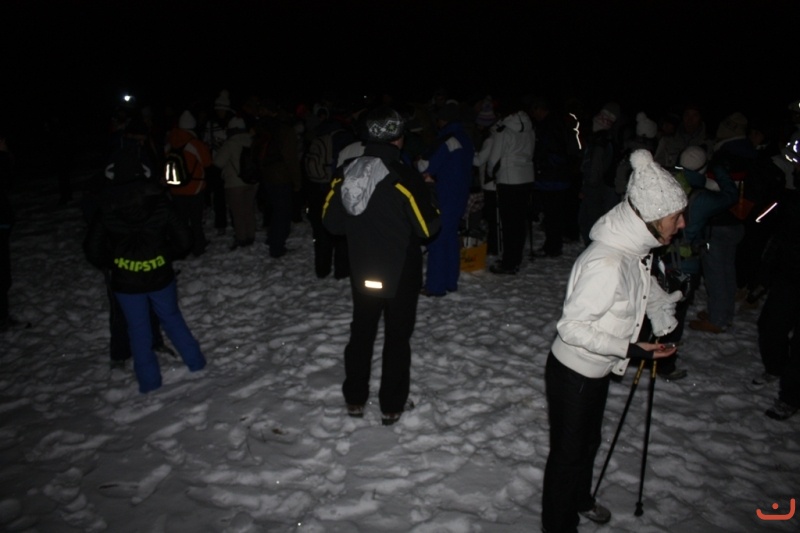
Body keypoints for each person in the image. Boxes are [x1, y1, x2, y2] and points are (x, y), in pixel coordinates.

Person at [541, 149, 685, 533]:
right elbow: (572, 327)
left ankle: (580, 499)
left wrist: (661, 312)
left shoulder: (635, 249)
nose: (682, 224)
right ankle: (558, 526)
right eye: (675, 216)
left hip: (598, 369)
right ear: (652, 217)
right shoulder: (606, 262)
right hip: (573, 373)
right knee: (568, 456)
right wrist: (633, 350)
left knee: (588, 443)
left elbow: (641, 285)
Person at [322, 106, 440, 425]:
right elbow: (428, 228)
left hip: (363, 268)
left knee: (362, 331)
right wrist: (428, 191)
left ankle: (355, 398)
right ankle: (391, 404)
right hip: (400, 271)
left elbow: (332, 223)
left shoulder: (345, 171)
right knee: (397, 336)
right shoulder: (403, 175)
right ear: (398, 139)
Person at [83, 149, 206, 393]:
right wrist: (165, 254)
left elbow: (92, 249)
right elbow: (184, 238)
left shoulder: (106, 207)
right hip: (159, 275)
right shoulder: (159, 202)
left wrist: (114, 262)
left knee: (138, 329)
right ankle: (197, 363)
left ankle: (149, 383)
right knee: (172, 318)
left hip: (126, 282)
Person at [754, 141, 800, 420]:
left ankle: (790, 397)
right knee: (771, 325)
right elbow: (770, 230)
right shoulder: (790, 197)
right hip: (788, 274)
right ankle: (776, 367)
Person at [417, 102, 474, 293]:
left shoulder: (446, 140)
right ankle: (450, 281)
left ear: (442, 120)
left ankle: (435, 286)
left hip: (444, 194)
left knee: (438, 239)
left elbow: (426, 166)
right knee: (450, 239)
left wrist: (419, 162)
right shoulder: (465, 138)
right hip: (460, 194)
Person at [165, 110, 212, 257]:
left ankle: (182, 248)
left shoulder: (169, 143)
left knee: (181, 221)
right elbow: (207, 163)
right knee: (196, 220)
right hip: (194, 188)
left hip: (176, 188)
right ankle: (198, 246)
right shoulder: (194, 144)